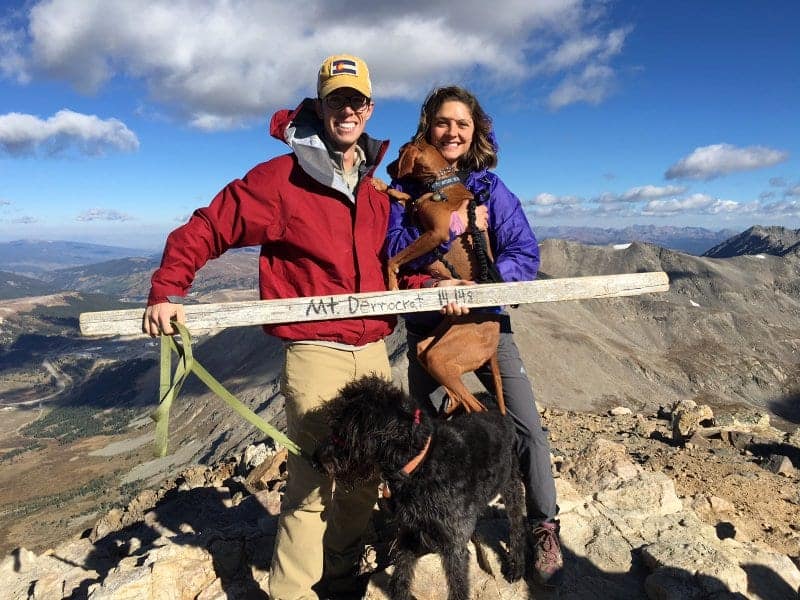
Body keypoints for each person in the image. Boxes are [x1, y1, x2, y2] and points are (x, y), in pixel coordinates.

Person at [144, 54, 394, 600]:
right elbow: (212, 224)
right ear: (320, 105)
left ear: (369, 109)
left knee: (366, 474)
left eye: (356, 100)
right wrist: (169, 286)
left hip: (375, 346)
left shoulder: (378, 187)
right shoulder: (281, 179)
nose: (346, 110)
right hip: (315, 351)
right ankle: (293, 593)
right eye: (336, 100)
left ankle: (343, 576)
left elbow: (398, 263)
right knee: (315, 479)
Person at [385, 85, 564, 586]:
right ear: (428, 127)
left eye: (462, 124)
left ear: (476, 132)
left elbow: (525, 254)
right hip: (430, 328)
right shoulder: (408, 190)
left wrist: (480, 282)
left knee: (526, 427)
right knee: (424, 432)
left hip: (488, 322)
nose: (453, 132)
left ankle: (543, 526)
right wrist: (436, 278)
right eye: (443, 122)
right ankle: (423, 525)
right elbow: (395, 248)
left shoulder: (492, 191)